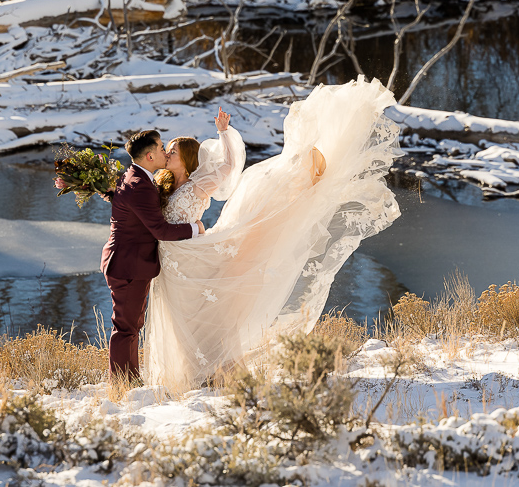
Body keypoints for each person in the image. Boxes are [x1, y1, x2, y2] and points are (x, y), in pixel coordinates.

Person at [144, 77, 401, 391]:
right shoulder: (162, 184)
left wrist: (224, 133)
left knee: (211, 299)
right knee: (184, 313)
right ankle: (191, 369)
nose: (166, 155)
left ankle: (215, 368)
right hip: (171, 259)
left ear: (185, 158)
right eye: (166, 151)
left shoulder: (199, 184)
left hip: (189, 253)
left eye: (171, 151)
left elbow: (227, 167)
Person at [100, 128, 206, 381]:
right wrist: (197, 228)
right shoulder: (141, 185)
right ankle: (124, 382)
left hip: (126, 262)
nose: (165, 152)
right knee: (126, 328)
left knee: (131, 326)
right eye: (161, 148)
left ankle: (128, 379)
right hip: (128, 265)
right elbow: (160, 230)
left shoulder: (135, 175)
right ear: (149, 156)